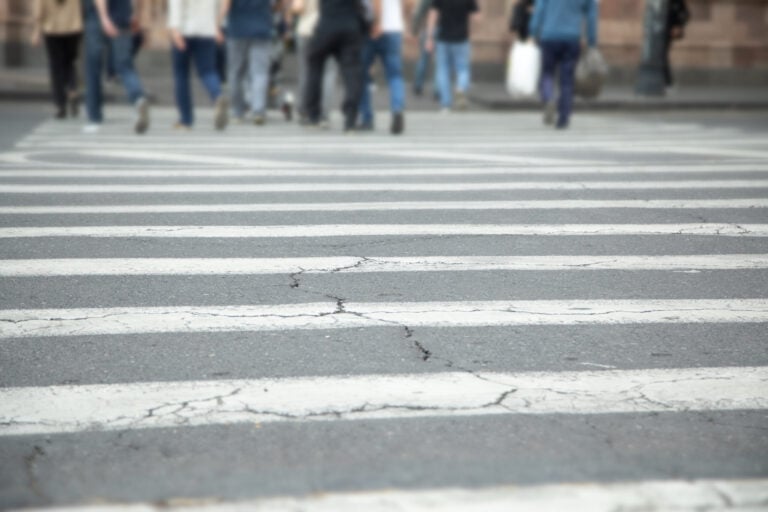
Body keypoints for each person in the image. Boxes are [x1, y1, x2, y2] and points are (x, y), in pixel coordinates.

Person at [82, 0, 150, 134]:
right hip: (123, 14)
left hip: (99, 16)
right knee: (125, 65)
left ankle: (94, 117)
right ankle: (138, 98)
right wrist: (133, 14)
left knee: (93, 67)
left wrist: (104, 17)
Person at [529, 0, 598, 129]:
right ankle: (563, 117)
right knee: (567, 80)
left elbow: (539, 10)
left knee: (547, 73)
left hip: (549, 37)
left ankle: (548, 97)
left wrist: (533, 31)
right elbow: (591, 16)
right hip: (572, 39)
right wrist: (592, 40)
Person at [304, 0, 366, 132]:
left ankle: (313, 114)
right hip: (350, 26)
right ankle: (350, 118)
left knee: (314, 63)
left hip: (326, 25)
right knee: (351, 71)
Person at [168, 0, 229, 130]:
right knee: (208, 70)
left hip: (184, 29)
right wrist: (217, 25)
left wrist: (175, 29)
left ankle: (186, 119)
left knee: (181, 74)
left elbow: (176, 4)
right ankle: (217, 95)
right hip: (207, 29)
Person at [221, 0, 273, 125]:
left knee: (235, 73)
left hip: (237, 29)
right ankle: (258, 110)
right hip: (262, 27)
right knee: (260, 72)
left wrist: (218, 22)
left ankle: (238, 111)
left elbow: (226, 4)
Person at [358, 0, 406, 134]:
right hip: (394, 28)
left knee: (362, 75)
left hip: (374, 29)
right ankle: (397, 109)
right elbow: (409, 4)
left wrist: (377, 22)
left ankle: (367, 117)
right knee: (395, 75)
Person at [30, 0, 83, 120]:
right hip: (73, 26)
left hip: (52, 27)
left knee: (56, 66)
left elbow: (39, 7)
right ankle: (72, 88)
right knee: (70, 62)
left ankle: (60, 104)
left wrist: (36, 30)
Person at [425, 0, 479, 112]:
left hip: (443, 37)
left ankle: (445, 104)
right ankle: (461, 88)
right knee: (463, 68)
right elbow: (477, 17)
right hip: (462, 37)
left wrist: (430, 37)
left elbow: (433, 15)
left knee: (442, 70)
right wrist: (471, 29)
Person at [293, 0, 338, 125]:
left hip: (306, 29)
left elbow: (298, 7)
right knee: (329, 73)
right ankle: (324, 113)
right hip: (330, 29)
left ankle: (306, 109)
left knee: (306, 71)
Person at [410, 0, 434, 98]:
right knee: (441, 63)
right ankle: (439, 90)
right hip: (444, 31)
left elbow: (417, 14)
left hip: (426, 29)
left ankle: (418, 86)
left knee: (423, 59)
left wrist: (414, 31)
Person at [664, 0, 690, 90]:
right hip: (658, 31)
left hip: (668, 31)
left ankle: (668, 82)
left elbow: (685, 14)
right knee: (661, 56)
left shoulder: (677, 2)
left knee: (662, 55)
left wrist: (678, 25)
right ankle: (667, 82)